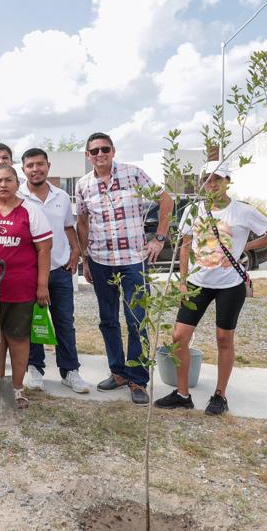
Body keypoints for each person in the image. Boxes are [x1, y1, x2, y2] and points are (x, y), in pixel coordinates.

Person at [156, 162, 267, 416]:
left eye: (218, 179)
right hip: (197, 283)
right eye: (207, 179)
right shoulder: (193, 210)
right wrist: (182, 281)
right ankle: (182, 394)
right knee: (179, 337)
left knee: (224, 339)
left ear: (227, 182)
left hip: (230, 285)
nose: (212, 184)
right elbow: (185, 246)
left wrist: (244, 248)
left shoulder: (242, 211)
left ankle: (219, 395)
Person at [75, 132, 172, 406]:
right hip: (101, 261)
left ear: (113, 150)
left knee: (136, 320)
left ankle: (137, 379)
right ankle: (117, 371)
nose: (100, 154)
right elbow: (82, 221)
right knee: (108, 321)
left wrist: (160, 237)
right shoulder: (83, 185)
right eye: (94, 151)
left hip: (133, 260)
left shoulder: (134, 174)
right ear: (88, 155)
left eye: (105, 149)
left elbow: (167, 200)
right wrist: (85, 258)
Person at [0, 163, 53, 407]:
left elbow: (44, 248)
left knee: (18, 337)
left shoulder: (30, 210)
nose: (3, 185)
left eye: (8, 180)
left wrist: (42, 284)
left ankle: (17, 388)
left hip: (20, 287)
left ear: (17, 183)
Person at [19, 148, 91, 393]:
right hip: (29, 271)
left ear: (48, 166)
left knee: (64, 322)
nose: (35, 169)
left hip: (59, 270)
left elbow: (68, 227)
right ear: (23, 169)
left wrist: (75, 252)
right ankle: (35, 368)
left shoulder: (61, 196)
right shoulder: (17, 197)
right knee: (32, 322)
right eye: (30, 165)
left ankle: (70, 371)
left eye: (40, 164)